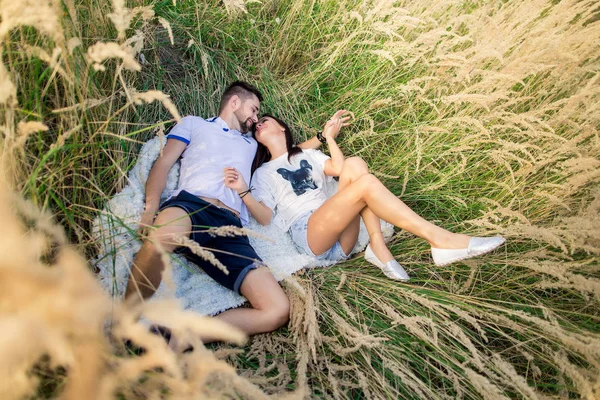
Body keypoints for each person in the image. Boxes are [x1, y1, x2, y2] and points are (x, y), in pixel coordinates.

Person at [124, 81, 329, 340]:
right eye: (253, 110)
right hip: (191, 205)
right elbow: (163, 163)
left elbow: (287, 150)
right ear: (234, 102)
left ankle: (181, 337)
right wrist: (149, 210)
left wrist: (323, 137)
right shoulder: (193, 124)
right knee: (157, 241)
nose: (255, 119)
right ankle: (124, 322)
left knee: (277, 310)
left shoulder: (253, 145)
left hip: (231, 226)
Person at [224, 110, 505, 279]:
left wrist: (329, 138)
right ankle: (436, 240)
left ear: (281, 126)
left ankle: (378, 247)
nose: (258, 123)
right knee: (365, 183)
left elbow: (338, 167)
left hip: (340, 236)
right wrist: (244, 192)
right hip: (310, 234)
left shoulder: (307, 154)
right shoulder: (264, 173)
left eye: (264, 119)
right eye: (255, 124)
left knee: (356, 164)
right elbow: (264, 217)